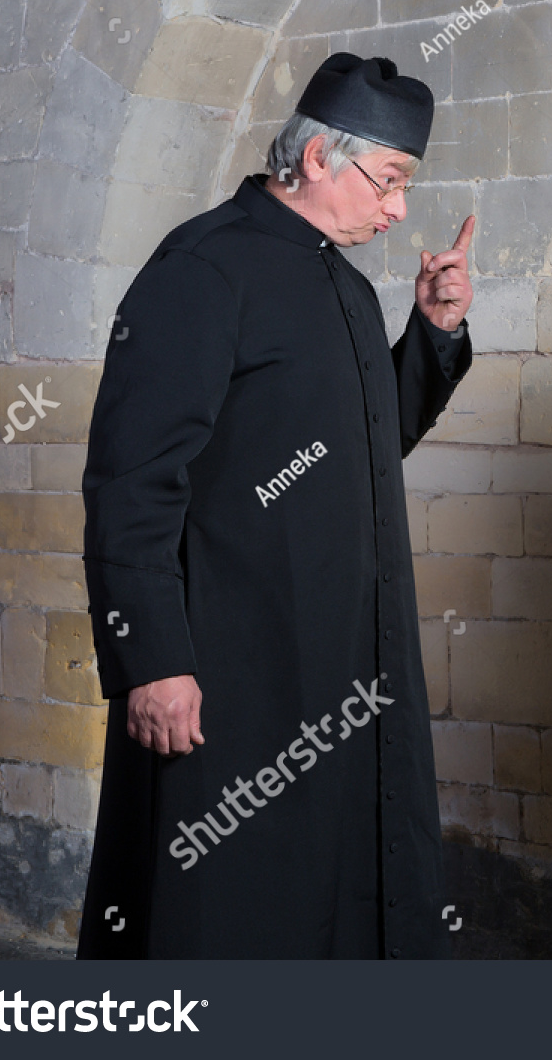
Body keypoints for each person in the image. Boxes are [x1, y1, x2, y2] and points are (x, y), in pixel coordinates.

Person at [77, 55, 475, 958]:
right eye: (391, 181)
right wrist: (153, 661)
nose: (400, 208)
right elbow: (131, 479)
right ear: (318, 159)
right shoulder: (202, 269)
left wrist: (434, 335)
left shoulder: (342, 281)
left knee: (337, 900)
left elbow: (366, 448)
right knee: (232, 908)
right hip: (234, 671)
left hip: (343, 666)